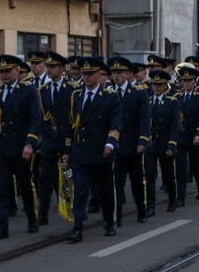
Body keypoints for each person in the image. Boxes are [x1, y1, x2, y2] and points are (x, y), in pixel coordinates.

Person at [0, 54, 42, 239]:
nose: (4, 75)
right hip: (1, 147)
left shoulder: (28, 90)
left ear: (17, 71)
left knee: (25, 185)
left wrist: (30, 143)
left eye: (7, 71)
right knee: (2, 187)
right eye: (1, 72)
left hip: (20, 146)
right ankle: (1, 226)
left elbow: (35, 119)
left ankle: (33, 218)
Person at [62, 57, 121, 242]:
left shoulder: (110, 97)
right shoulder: (76, 96)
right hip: (81, 151)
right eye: (84, 74)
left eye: (90, 74)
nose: (86, 77)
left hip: (101, 151)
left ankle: (109, 222)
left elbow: (116, 123)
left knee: (105, 191)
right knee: (79, 190)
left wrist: (110, 143)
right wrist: (67, 150)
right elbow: (71, 126)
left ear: (99, 75)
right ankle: (77, 227)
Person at [108, 57, 151, 224]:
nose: (116, 76)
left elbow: (144, 118)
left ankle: (142, 209)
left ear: (127, 73)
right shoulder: (109, 93)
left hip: (133, 145)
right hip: (116, 145)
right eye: (114, 73)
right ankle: (116, 217)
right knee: (116, 183)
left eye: (120, 72)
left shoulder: (138, 93)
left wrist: (143, 140)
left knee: (137, 181)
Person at [36, 51, 74, 225]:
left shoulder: (72, 88)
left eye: (53, 67)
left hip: (67, 139)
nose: (49, 70)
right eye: (48, 67)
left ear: (62, 68)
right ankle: (42, 213)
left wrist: (70, 143)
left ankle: (72, 207)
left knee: (70, 176)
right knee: (45, 178)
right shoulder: (43, 90)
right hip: (49, 140)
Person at [144, 70, 180, 213]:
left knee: (168, 174)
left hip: (165, 144)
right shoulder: (147, 101)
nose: (156, 87)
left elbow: (174, 125)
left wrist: (172, 144)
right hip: (151, 145)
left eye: (159, 85)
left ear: (165, 86)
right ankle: (150, 206)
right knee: (149, 176)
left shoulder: (172, 102)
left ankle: (172, 200)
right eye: (154, 84)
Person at [175, 64, 199, 204]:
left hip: (194, 137)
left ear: (195, 82)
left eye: (189, 81)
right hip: (181, 137)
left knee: (196, 166)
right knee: (180, 168)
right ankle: (180, 198)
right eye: (184, 81)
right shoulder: (177, 97)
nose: (187, 83)